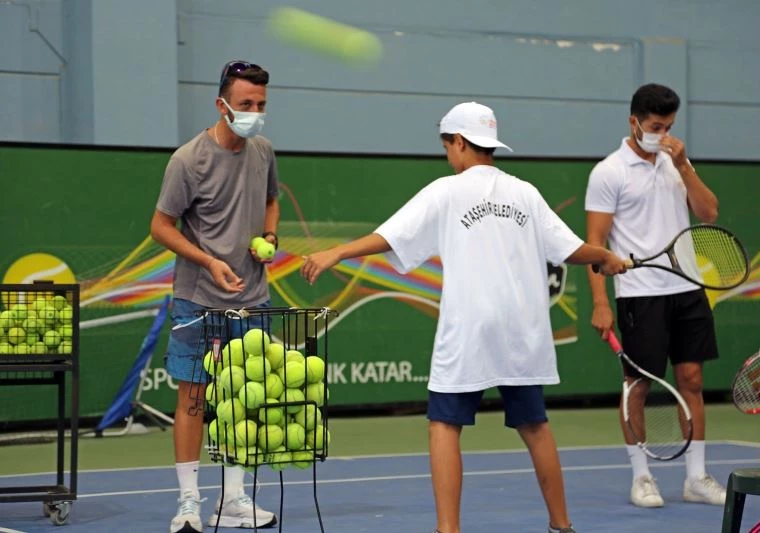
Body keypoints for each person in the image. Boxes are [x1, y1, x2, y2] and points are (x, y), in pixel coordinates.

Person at [300, 102, 628, 533]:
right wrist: (604, 255)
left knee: (444, 424)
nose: (447, 154)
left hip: (469, 327)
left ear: (459, 143)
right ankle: (561, 526)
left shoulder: (445, 191)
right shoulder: (525, 192)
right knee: (535, 425)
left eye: (447, 145)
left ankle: (448, 530)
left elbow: (390, 235)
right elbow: (572, 251)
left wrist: (337, 251)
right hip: (521, 330)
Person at [151, 59, 281, 532]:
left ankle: (235, 502)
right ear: (222, 104)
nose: (254, 113)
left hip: (252, 296)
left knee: (243, 401)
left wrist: (268, 236)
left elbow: (271, 199)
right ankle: (189, 504)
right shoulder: (187, 160)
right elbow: (160, 226)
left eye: (261, 105)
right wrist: (208, 260)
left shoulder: (264, 150)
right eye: (246, 104)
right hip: (197, 299)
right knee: (193, 399)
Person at [584, 83, 726, 508]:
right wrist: (601, 302)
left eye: (668, 126)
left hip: (686, 288)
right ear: (634, 122)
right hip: (639, 294)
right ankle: (642, 476)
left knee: (693, 381)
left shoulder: (675, 162)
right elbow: (595, 243)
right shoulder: (608, 172)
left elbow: (709, 213)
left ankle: (696, 477)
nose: (662, 133)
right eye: (655, 126)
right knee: (638, 386)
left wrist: (683, 166)